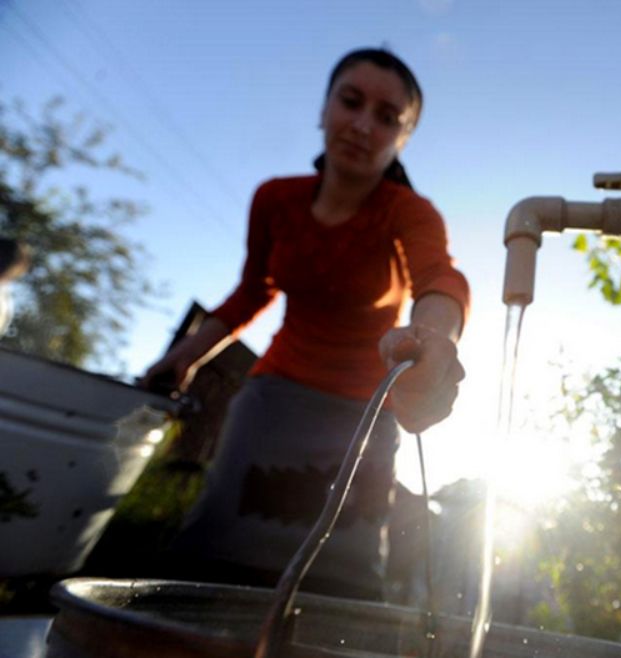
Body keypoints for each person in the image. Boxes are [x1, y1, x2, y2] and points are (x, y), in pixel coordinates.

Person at [141, 47, 470, 600]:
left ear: (403, 139)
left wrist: (433, 343)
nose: (362, 125)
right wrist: (183, 358)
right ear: (324, 109)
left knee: (342, 580)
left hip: (364, 418)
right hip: (273, 401)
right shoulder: (275, 200)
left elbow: (439, 278)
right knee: (209, 558)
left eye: (387, 117)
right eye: (351, 102)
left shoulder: (409, 213)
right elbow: (252, 291)